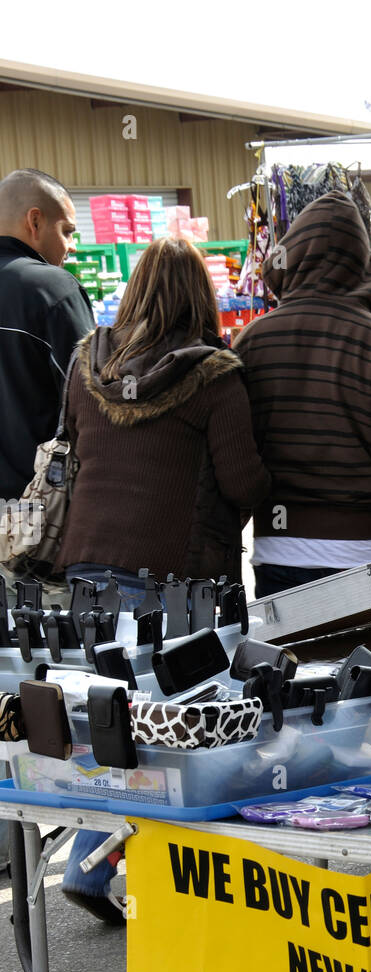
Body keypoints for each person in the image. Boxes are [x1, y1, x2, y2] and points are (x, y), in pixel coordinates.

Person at [56, 236, 270, 924]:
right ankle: (139, 877)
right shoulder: (214, 374)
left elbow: (68, 450)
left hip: (87, 565)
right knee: (179, 730)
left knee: (114, 723)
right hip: (179, 580)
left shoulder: (88, 360)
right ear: (198, 297)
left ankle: (92, 860)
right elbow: (243, 481)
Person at [234, 191, 371, 599]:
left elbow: (239, 463)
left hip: (279, 553)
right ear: (363, 261)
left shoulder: (252, 342)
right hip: (368, 556)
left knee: (292, 665)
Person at [0, 168, 94, 501]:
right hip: (34, 504)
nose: (71, 247)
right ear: (35, 221)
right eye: (67, 231)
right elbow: (92, 400)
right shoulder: (53, 290)